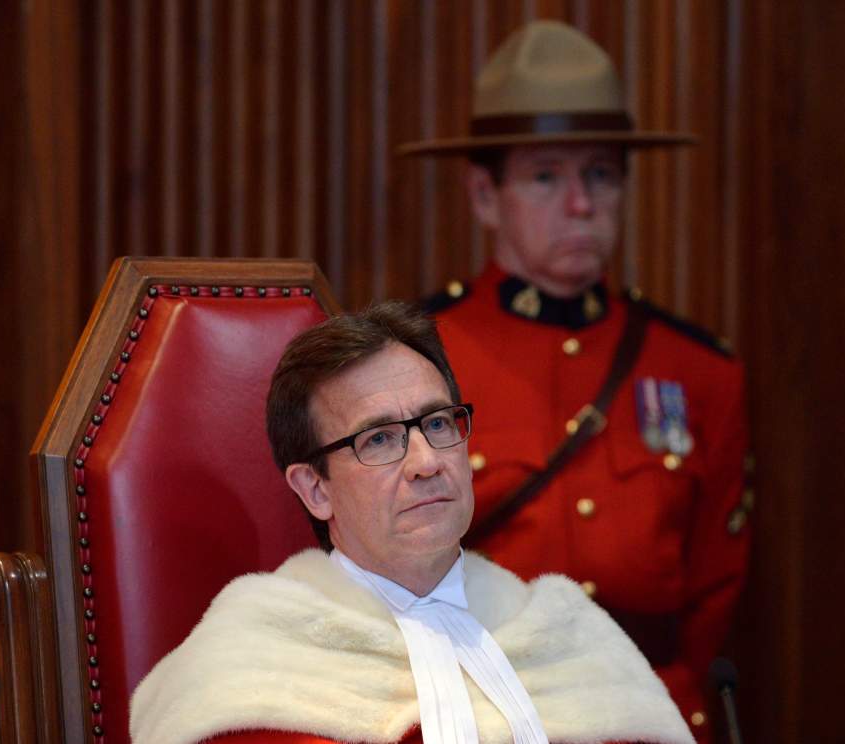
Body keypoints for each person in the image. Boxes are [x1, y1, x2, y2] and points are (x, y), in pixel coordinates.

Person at [398, 21, 751, 737]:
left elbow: (716, 588)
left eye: (600, 174)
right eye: (546, 176)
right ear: (485, 196)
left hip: (645, 714)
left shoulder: (696, 370)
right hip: (473, 712)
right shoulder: (415, 359)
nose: (582, 203)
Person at [129, 301, 693, 744]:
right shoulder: (244, 673)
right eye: (379, 439)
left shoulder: (569, 639)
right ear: (316, 489)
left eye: (439, 424)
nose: (427, 462)